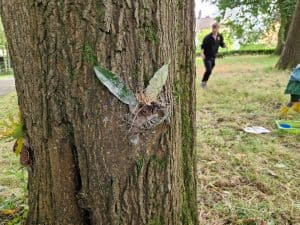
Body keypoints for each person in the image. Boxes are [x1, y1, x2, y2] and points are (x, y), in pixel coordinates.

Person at [201, 23, 226, 88]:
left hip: (213, 56)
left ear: (218, 29)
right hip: (206, 56)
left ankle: (204, 81)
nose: (215, 30)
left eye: (216, 29)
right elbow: (203, 46)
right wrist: (202, 53)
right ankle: (204, 83)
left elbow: (221, 43)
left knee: (209, 70)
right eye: (213, 28)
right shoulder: (207, 37)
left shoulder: (219, 36)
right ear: (212, 29)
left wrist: (224, 45)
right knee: (209, 70)